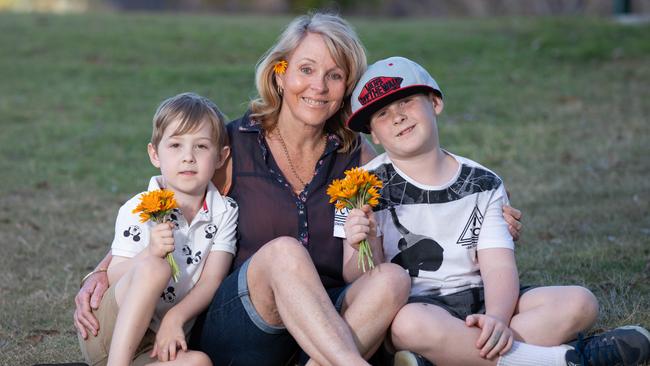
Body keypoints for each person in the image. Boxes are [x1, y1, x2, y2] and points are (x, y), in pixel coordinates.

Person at [74, 13, 523, 366]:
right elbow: (166, 205)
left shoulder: (359, 159)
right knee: (285, 252)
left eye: (334, 75)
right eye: (306, 70)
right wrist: (101, 270)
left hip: (331, 319)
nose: (318, 86)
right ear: (280, 75)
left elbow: (422, 187)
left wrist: (487, 214)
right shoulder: (234, 146)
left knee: (390, 279)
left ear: (347, 86)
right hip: (244, 326)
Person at [338, 56, 650, 366]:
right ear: (374, 135)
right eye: (382, 113)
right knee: (409, 326)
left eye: (406, 101)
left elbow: (499, 266)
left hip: (481, 298)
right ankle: (563, 360)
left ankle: (450, 357)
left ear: (435, 103)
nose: (398, 117)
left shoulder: (482, 182)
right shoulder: (359, 187)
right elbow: (355, 277)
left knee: (580, 303)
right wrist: (364, 241)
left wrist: (498, 318)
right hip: (418, 308)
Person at [78, 92, 238, 366]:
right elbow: (115, 274)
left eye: (201, 146)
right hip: (108, 331)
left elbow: (211, 280)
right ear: (155, 153)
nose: (188, 157)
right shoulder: (140, 208)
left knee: (199, 362)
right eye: (175, 145)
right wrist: (149, 253)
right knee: (156, 267)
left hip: (157, 343)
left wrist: (175, 318)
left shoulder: (225, 212)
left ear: (220, 157)